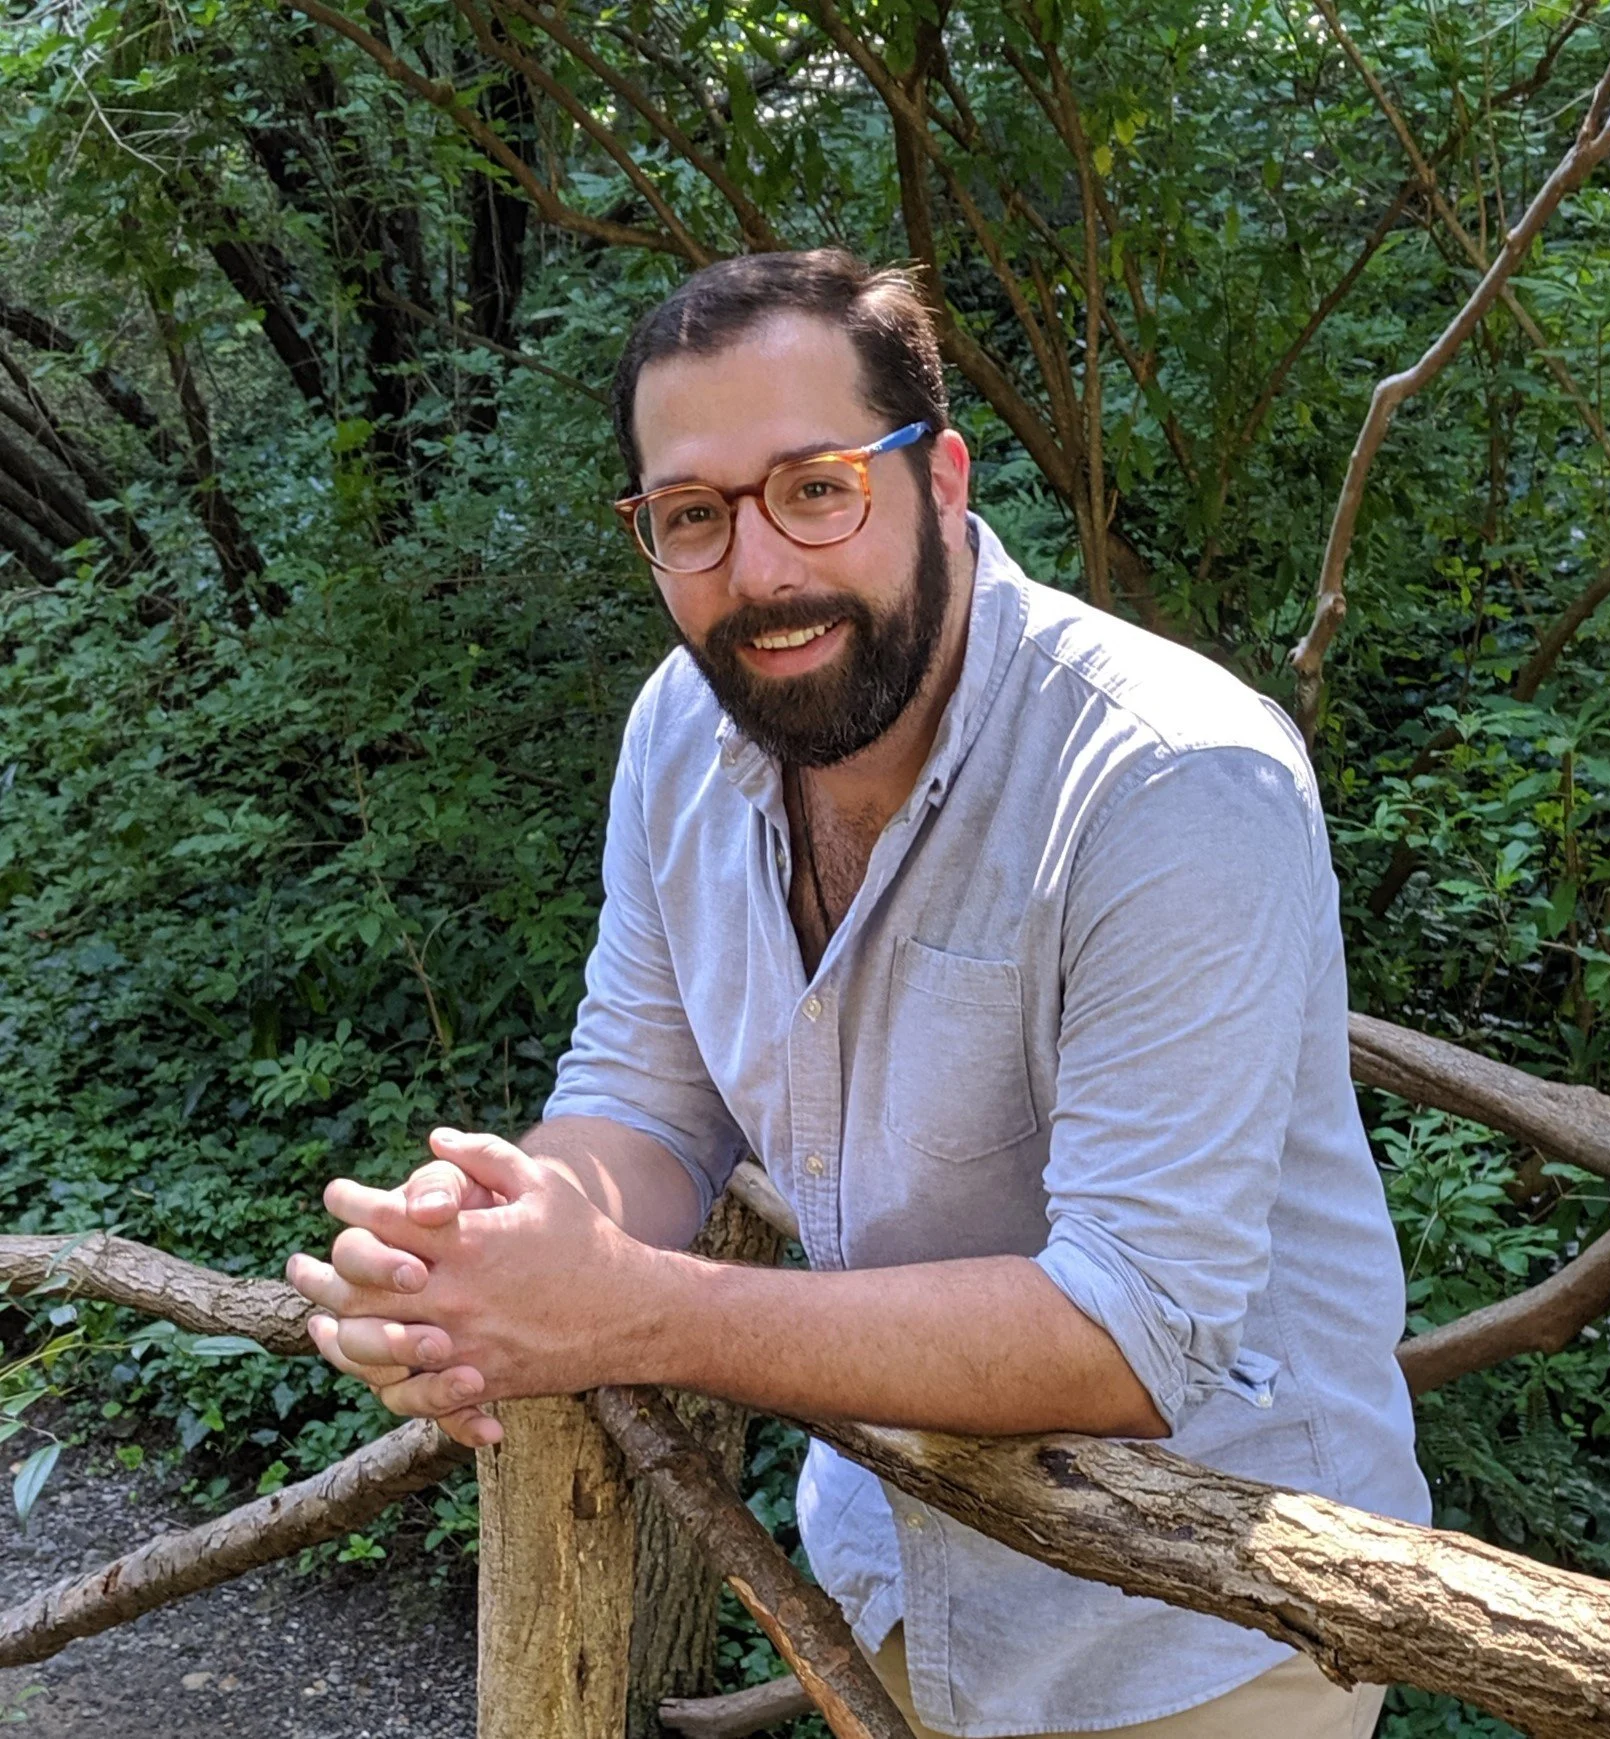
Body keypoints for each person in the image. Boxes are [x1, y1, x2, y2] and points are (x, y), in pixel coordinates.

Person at [286, 248, 1431, 1739]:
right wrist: (492, 1242)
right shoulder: (679, 732)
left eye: (815, 487)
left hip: (1205, 1636)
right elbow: (641, 1098)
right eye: (693, 516)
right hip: (890, 1573)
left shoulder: (1171, 780)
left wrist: (626, 1310)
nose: (760, 569)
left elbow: (1131, 1325)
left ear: (939, 480)